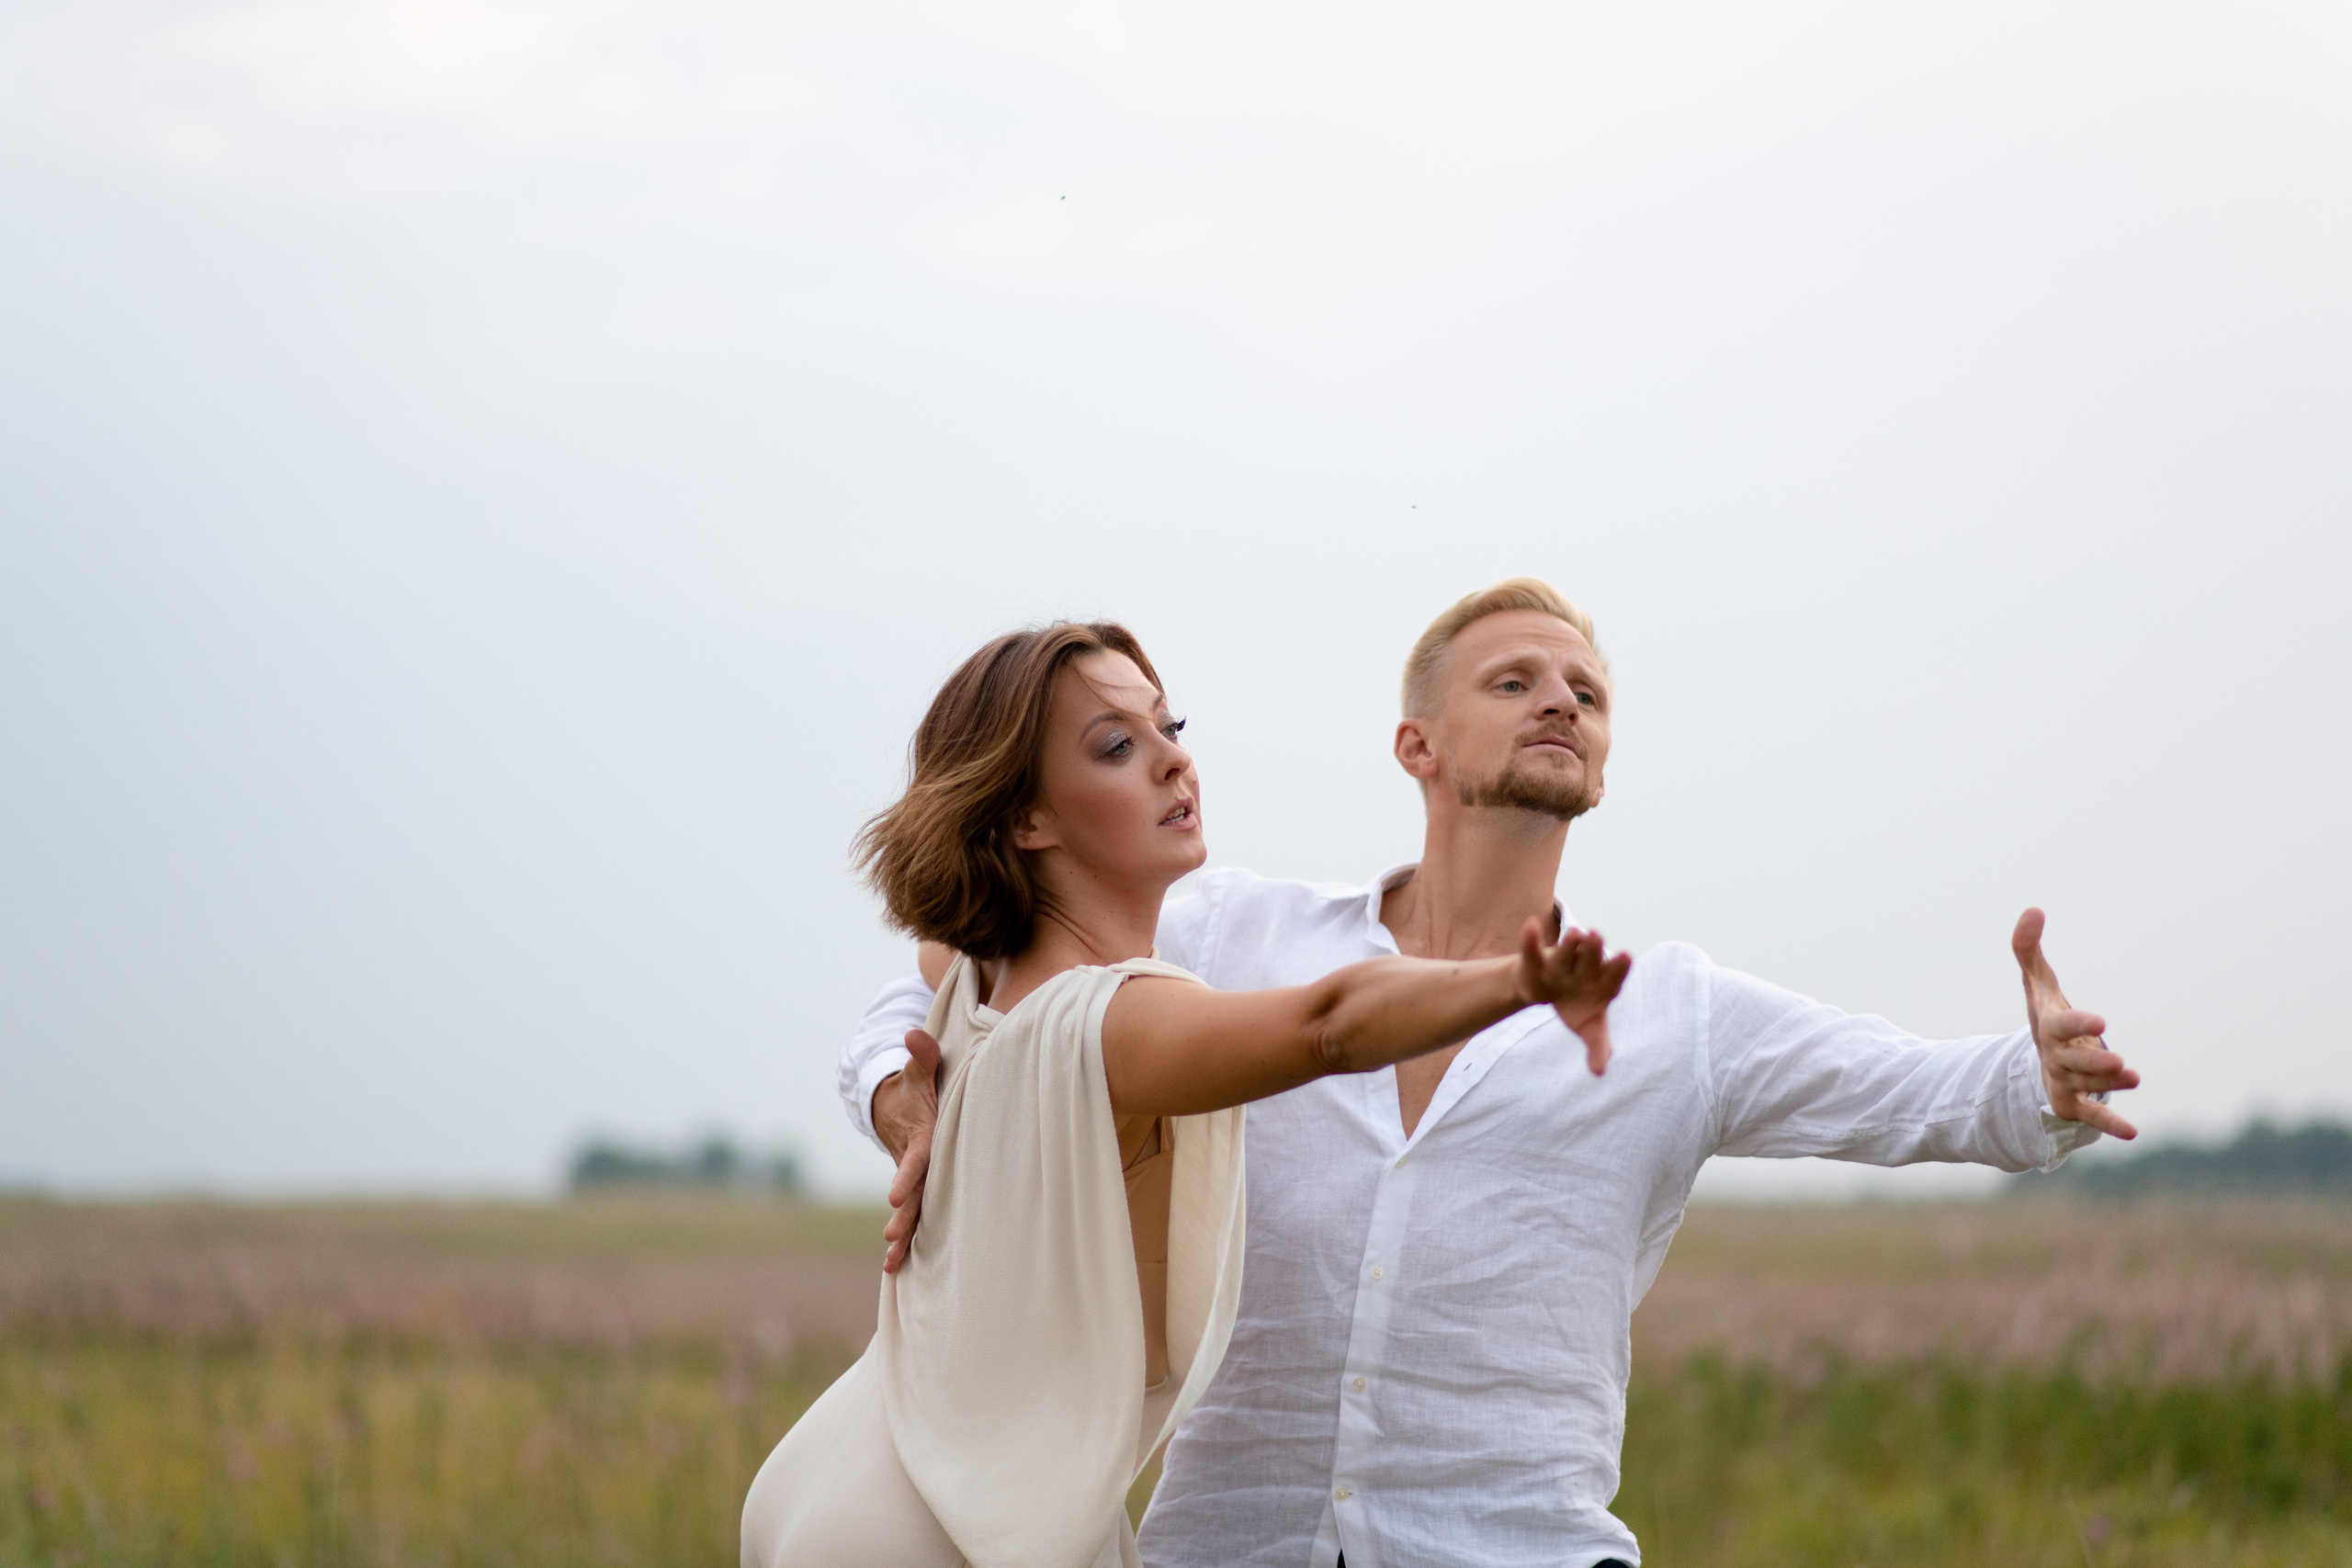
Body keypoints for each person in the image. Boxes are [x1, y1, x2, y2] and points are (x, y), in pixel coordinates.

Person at [840, 578, 2142, 1568]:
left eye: (1586, 688)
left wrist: (2043, 1077)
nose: (1561, 698)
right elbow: (978, 948)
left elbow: (1922, 1092)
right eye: (1514, 679)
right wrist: (898, 1086)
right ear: (1416, 744)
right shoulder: (1230, 933)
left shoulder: (1674, 1012)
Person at [743, 619, 1632, 1568]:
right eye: (1117, 748)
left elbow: (926, 963)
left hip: (848, 1471)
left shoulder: (983, 977)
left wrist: (889, 1084)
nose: (1174, 763)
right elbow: (1326, 1024)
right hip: (931, 1528)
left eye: (1170, 727)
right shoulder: (1111, 1016)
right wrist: (1516, 983)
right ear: (1025, 819)